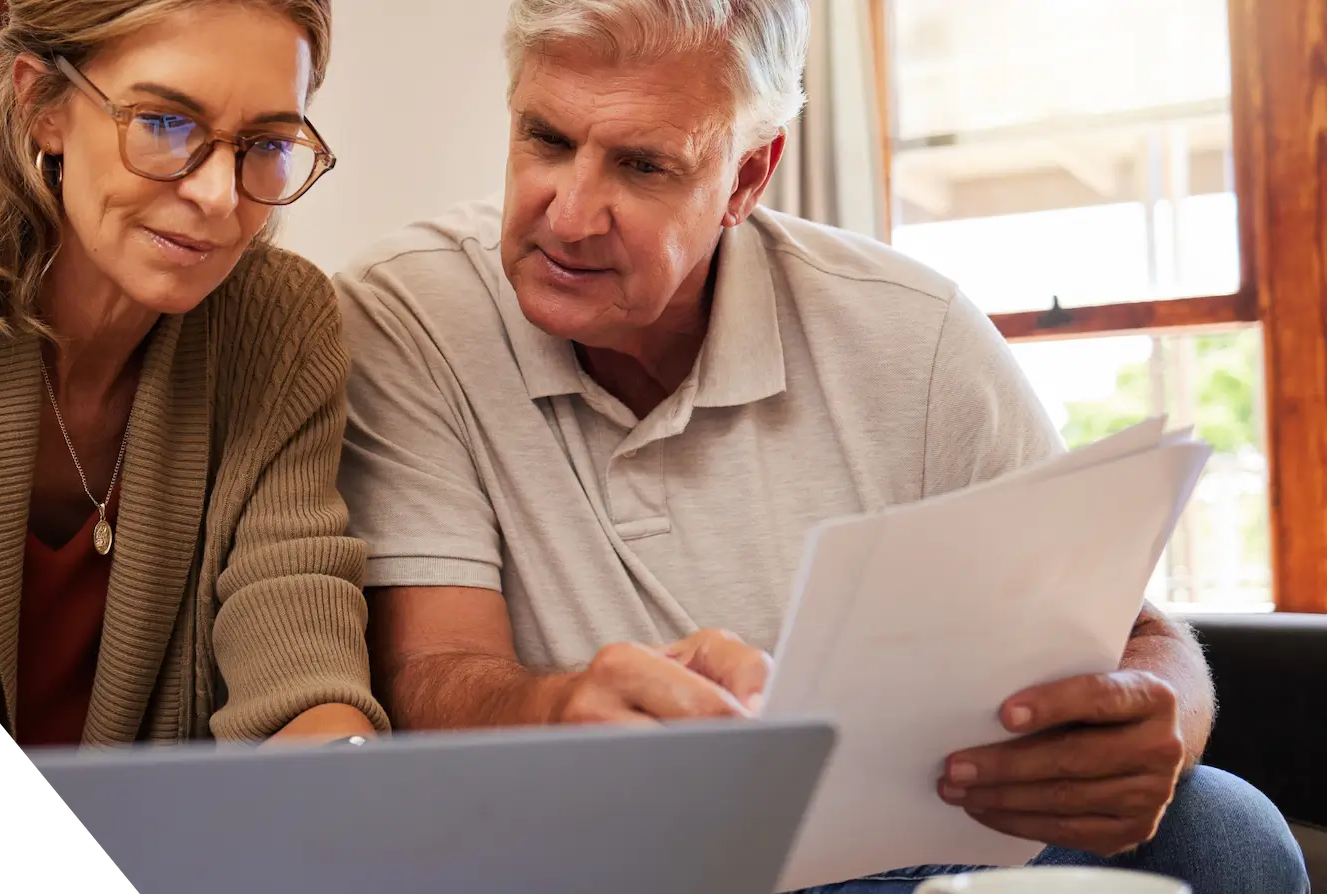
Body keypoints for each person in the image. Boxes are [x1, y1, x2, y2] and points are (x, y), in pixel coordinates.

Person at [332, 1, 1307, 890]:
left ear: (747, 177)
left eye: (643, 166)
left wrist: (1162, 719)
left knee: (1225, 832)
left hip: (892, 847)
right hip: (593, 845)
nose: (571, 215)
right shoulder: (411, 313)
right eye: (546, 139)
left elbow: (1138, 633)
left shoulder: (913, 332)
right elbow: (430, 670)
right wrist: (561, 716)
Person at [0, 0, 386, 749]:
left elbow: (300, 657)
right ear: (43, 105)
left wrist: (345, 772)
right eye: (166, 123)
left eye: (266, 143)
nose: (219, 195)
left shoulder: (279, 323)